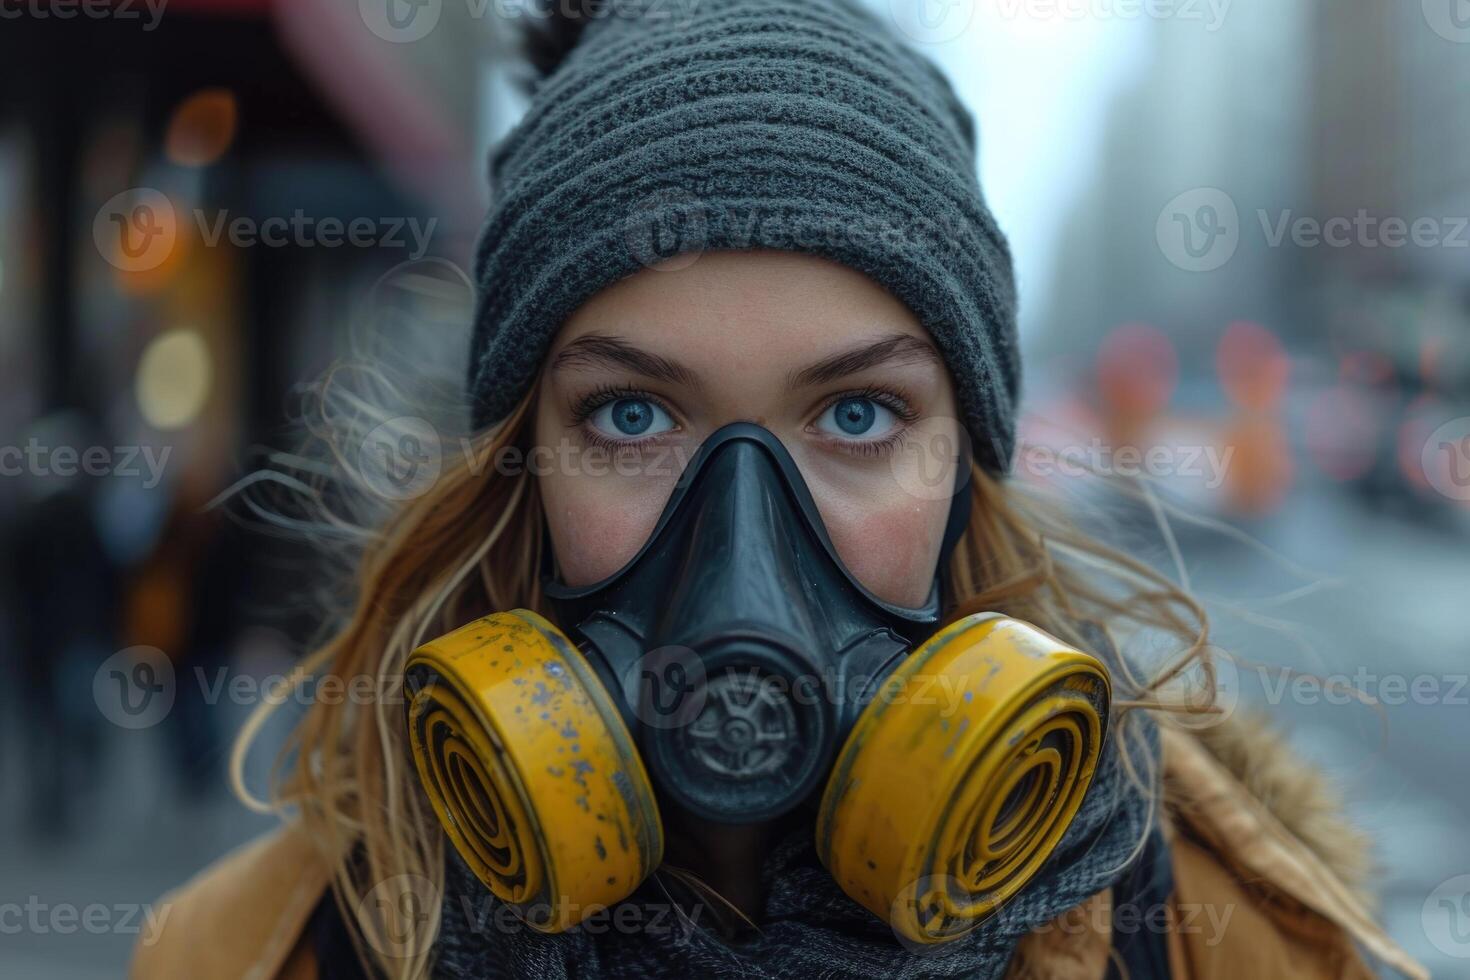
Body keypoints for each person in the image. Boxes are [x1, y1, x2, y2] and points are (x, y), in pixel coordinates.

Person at [131, 3, 1425, 978]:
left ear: (966, 466)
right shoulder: (251, 953)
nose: (742, 547)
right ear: (520, 465)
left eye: (857, 414)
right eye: (630, 415)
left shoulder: (1212, 939)